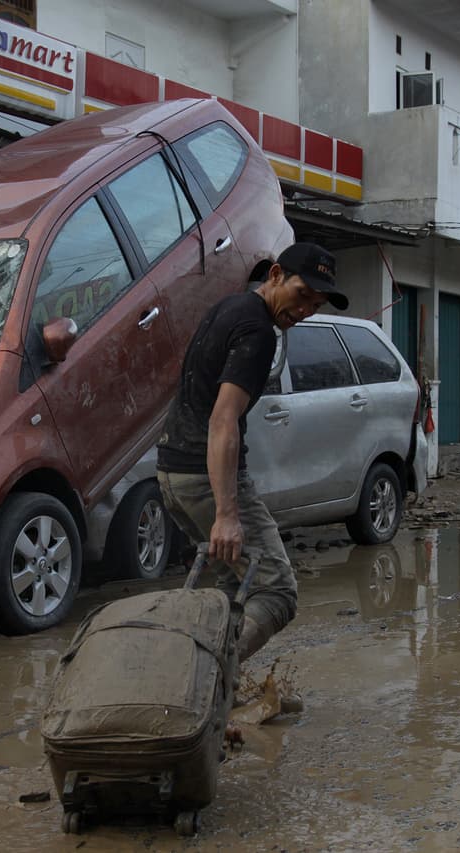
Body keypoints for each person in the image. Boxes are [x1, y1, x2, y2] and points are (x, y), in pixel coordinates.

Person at [156, 242, 348, 662]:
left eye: (316, 305)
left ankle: (211, 687)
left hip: (174, 474)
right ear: (275, 275)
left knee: (232, 584)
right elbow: (223, 419)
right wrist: (227, 514)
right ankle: (202, 683)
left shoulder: (230, 307)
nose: (305, 311)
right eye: (302, 296)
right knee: (277, 590)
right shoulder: (258, 332)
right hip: (206, 480)